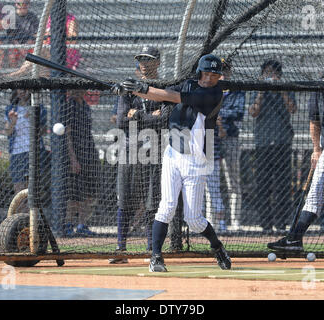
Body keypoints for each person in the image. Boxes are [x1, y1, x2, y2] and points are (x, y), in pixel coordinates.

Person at [112, 53, 232, 271]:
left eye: (215, 74)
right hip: (173, 154)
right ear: (200, 72)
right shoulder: (187, 84)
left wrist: (139, 89)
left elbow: (171, 96)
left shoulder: (213, 93)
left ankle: (217, 247)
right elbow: (162, 95)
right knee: (165, 207)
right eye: (207, 73)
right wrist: (128, 91)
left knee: (193, 220)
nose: (211, 78)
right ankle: (156, 257)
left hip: (196, 161)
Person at [110, 46, 171, 263]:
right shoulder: (128, 86)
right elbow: (121, 121)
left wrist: (137, 115)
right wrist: (148, 115)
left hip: (155, 149)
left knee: (151, 199)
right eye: (141, 59)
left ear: (158, 62)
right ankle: (121, 249)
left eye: (149, 59)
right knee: (124, 197)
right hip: (129, 148)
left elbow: (164, 119)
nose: (144, 63)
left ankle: (149, 248)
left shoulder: (164, 87)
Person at [267, 87, 324, 251]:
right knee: (314, 198)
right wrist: (316, 150)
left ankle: (294, 237)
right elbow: (315, 121)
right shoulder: (318, 90)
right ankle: (294, 239)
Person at [248, 59, 297, 233]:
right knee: (263, 184)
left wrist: (280, 88)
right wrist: (262, 90)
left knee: (283, 185)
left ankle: (281, 223)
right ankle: (266, 224)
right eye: (267, 73)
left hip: (283, 142)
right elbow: (253, 112)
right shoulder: (257, 90)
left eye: (273, 73)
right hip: (262, 143)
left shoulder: (287, 88)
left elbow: (293, 109)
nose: (270, 76)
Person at [62, 89, 101, 237]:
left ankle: (82, 225)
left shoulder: (85, 105)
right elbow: (67, 135)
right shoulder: (69, 106)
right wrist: (73, 159)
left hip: (89, 152)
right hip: (76, 154)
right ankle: (68, 224)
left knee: (89, 193)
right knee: (74, 195)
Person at [4, 89, 48, 211]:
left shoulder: (39, 108)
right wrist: (13, 121)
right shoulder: (11, 109)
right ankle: (20, 219)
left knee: (32, 190)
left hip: (34, 151)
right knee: (19, 189)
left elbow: (43, 131)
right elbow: (8, 132)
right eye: (19, 89)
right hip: (17, 151)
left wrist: (33, 119)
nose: (22, 92)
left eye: (25, 89)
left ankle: (31, 219)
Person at [6, 12, 80, 78]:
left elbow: (73, 40)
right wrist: (44, 35)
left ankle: (20, 72)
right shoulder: (49, 18)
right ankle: (22, 73)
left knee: (41, 52)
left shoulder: (71, 19)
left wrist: (56, 35)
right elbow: (42, 37)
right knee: (40, 55)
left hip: (64, 54)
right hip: (49, 53)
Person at [218, 59, 245, 229]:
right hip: (211, 137)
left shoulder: (237, 88)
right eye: (220, 70)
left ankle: (235, 221)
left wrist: (219, 115)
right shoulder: (211, 88)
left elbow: (238, 113)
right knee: (210, 181)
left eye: (226, 70)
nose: (223, 74)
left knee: (233, 181)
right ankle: (212, 220)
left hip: (231, 138)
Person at [204, 115, 227, 233]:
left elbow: (223, 135)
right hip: (196, 159)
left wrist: (219, 124)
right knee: (198, 192)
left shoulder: (215, 113)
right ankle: (199, 224)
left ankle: (221, 223)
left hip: (213, 158)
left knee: (214, 191)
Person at [0, 0, 39, 69]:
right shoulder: (12, 17)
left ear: (28, 4)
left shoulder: (33, 16)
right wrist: (20, 48)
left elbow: (35, 33)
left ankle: (31, 72)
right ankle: (14, 74)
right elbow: (11, 36)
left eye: (25, 3)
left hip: (30, 43)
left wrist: (28, 44)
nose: (22, 6)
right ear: (16, 5)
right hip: (16, 44)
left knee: (36, 53)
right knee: (12, 55)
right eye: (20, 4)